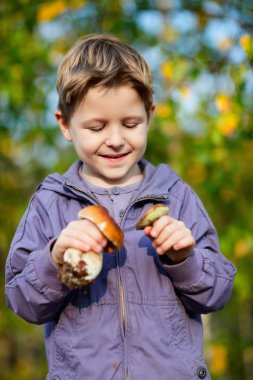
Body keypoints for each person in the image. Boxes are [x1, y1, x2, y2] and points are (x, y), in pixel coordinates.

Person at [5, 34, 236, 380]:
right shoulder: (51, 202)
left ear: (149, 115)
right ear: (65, 124)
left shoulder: (175, 196)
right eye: (96, 127)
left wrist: (185, 260)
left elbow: (218, 292)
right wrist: (54, 260)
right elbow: (21, 299)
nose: (115, 139)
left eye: (130, 124)